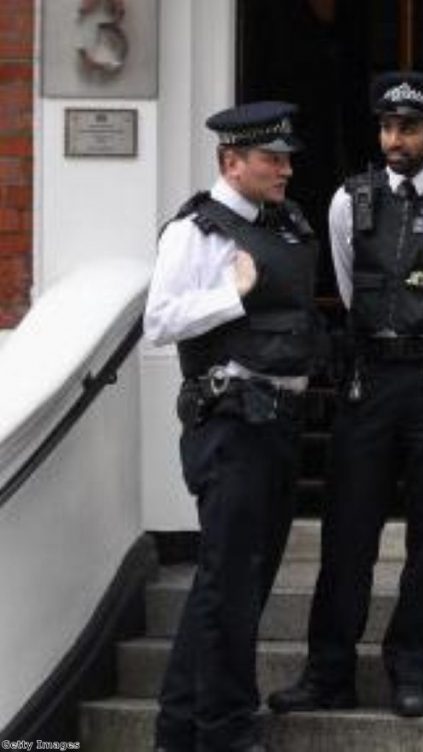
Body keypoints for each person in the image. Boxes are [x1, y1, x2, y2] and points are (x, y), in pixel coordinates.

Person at [269, 71, 423, 719]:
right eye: (386, 126)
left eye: (408, 127)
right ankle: (328, 673)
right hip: (368, 378)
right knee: (347, 532)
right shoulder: (352, 200)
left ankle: (414, 670)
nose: (393, 138)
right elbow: (349, 292)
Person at [144, 101, 320, 752]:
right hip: (231, 425)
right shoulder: (197, 233)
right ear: (231, 162)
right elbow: (158, 320)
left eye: (287, 158)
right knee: (230, 584)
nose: (286, 170)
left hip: (277, 423)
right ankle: (224, 729)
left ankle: (178, 726)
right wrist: (231, 294)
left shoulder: (287, 223)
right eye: (272, 159)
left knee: (237, 580)